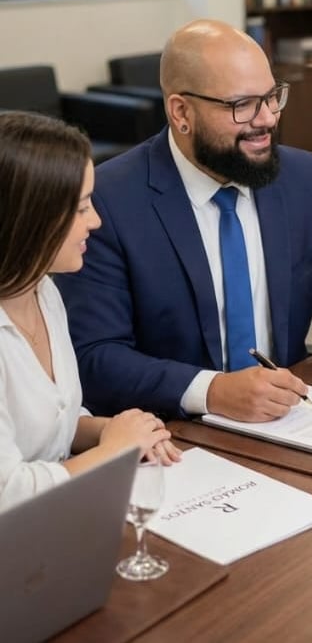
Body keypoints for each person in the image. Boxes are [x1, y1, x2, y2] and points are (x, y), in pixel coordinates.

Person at [56, 18, 312, 424]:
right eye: (242, 105)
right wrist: (212, 391)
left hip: (290, 418)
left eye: (272, 97)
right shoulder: (108, 199)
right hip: (172, 430)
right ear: (181, 112)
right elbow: (95, 356)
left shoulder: (301, 176)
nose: (268, 119)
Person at [0, 111, 180, 513]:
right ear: (30, 219)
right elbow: (8, 493)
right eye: (82, 208)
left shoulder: (44, 290)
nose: (95, 221)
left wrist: (116, 430)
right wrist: (113, 451)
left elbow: (53, 424)